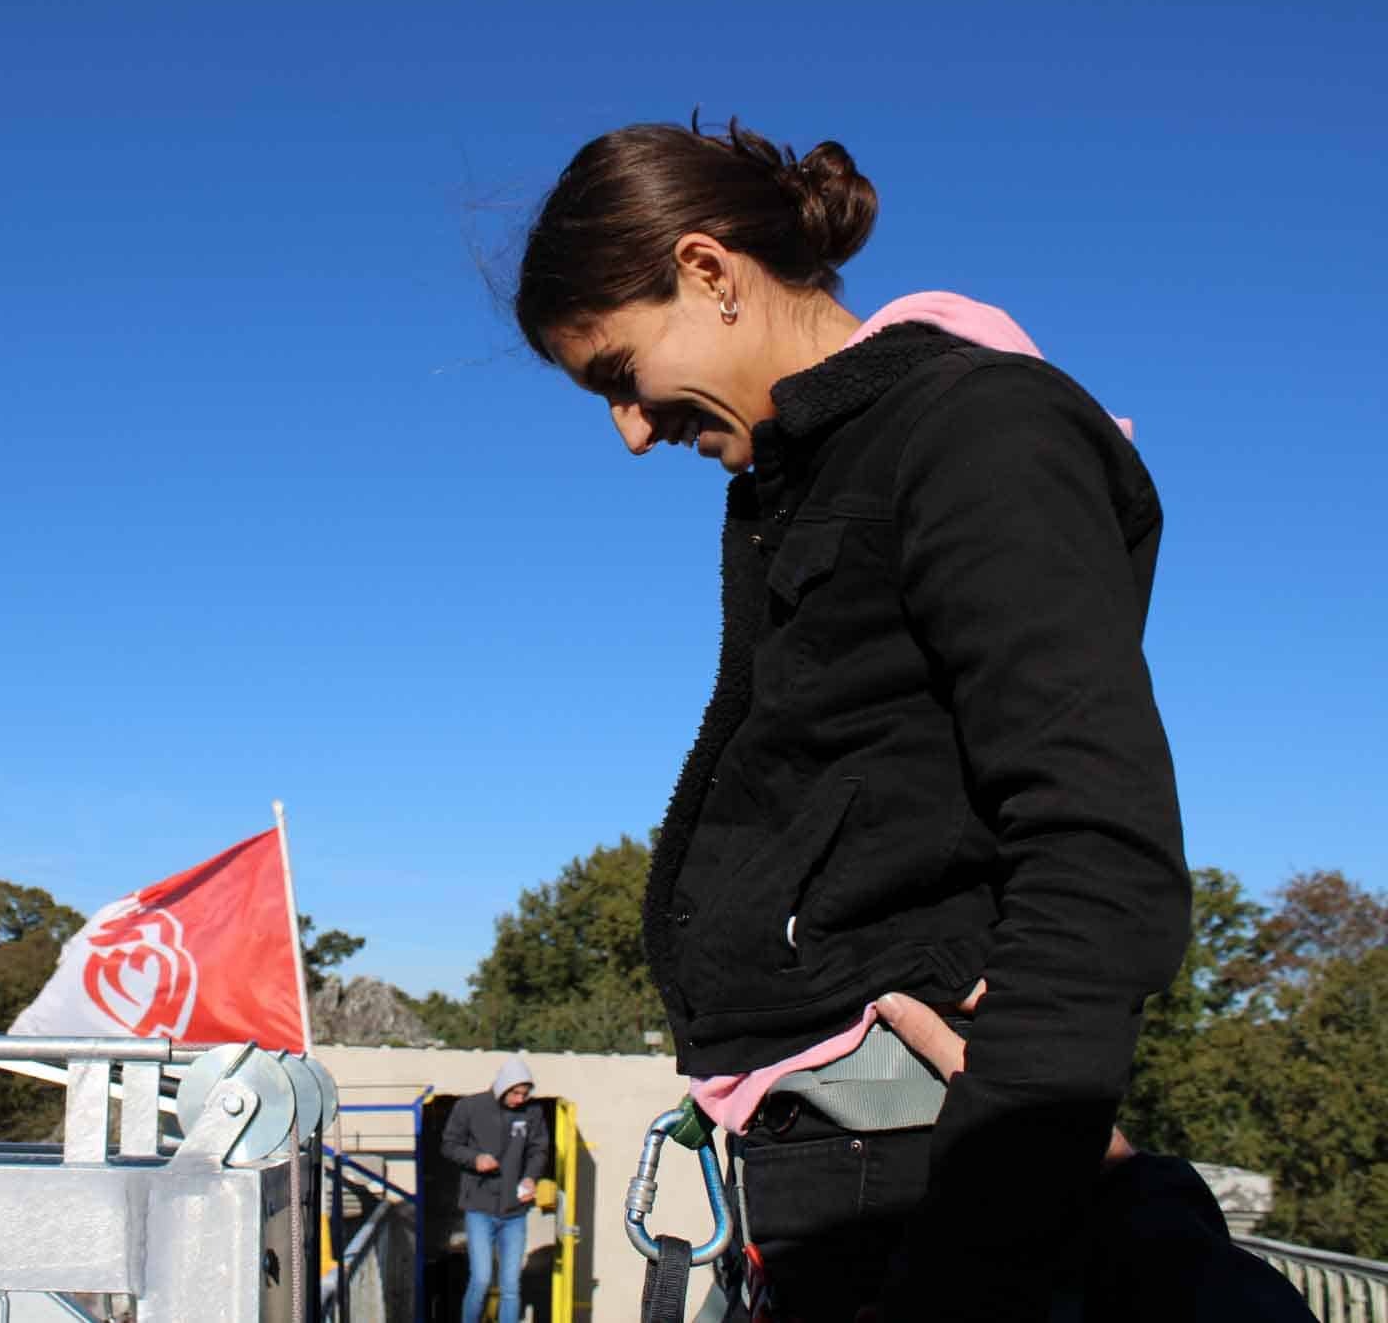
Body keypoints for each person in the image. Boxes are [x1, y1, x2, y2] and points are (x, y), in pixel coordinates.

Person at [511, 117, 1310, 1322]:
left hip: (912, 1175)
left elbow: (1097, 849)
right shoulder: (812, 472)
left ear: (707, 272)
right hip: (838, 1166)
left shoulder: (975, 430)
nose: (627, 431)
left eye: (619, 374)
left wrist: (984, 1215)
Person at [440, 1056, 551, 1323]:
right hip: (479, 1208)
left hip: (515, 1212)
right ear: (503, 1087)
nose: (520, 1099)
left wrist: (530, 1177)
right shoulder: (470, 1107)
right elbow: (449, 1144)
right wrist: (474, 1159)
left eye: (525, 1094)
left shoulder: (532, 1114)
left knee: (511, 1286)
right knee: (480, 1279)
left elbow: (539, 1150)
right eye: (515, 1093)